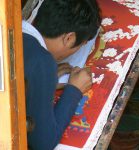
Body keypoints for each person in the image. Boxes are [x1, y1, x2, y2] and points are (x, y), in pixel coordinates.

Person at [23, 0, 101, 149]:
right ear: (69, 38)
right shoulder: (42, 61)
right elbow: (43, 144)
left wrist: (46, 82)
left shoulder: (10, 28)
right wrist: (74, 90)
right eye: (80, 45)